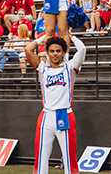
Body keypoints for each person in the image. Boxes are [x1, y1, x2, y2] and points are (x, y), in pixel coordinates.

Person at [24, 35, 86, 174]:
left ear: (63, 53)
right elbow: (28, 49)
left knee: (70, 156)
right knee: (41, 157)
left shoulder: (70, 68)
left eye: (58, 51)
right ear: (47, 53)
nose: (55, 54)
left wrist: (71, 36)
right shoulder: (42, 69)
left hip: (64, 114)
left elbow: (82, 49)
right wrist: (45, 36)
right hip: (46, 115)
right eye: (52, 51)